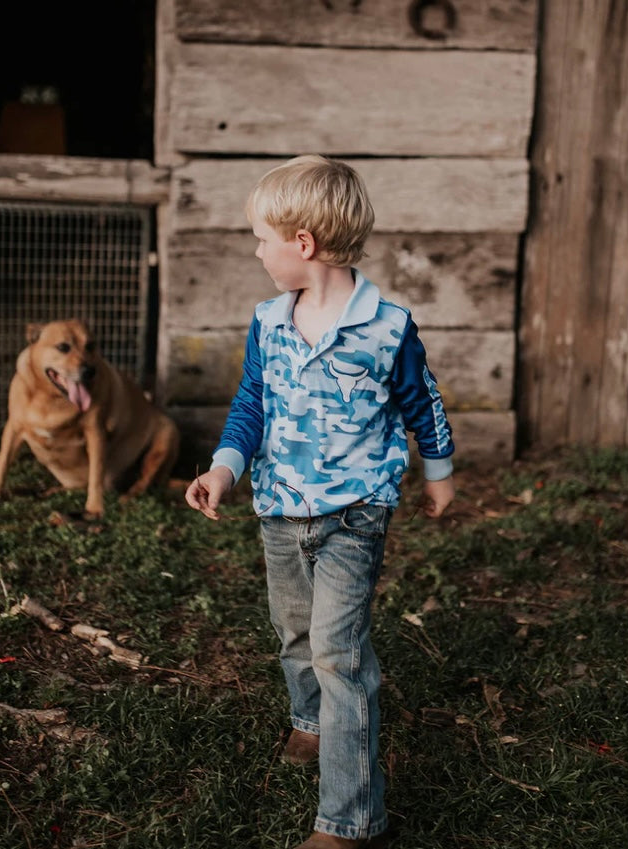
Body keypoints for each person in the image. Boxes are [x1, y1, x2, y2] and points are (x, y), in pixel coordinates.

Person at [185, 155, 455, 849]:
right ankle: (310, 721)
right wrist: (224, 467)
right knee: (294, 631)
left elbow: (420, 401)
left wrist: (439, 471)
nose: (256, 250)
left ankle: (348, 822)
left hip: (355, 512)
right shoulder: (269, 321)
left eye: (260, 237)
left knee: (339, 651)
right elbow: (253, 402)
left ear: (301, 243)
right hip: (279, 508)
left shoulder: (386, 327)